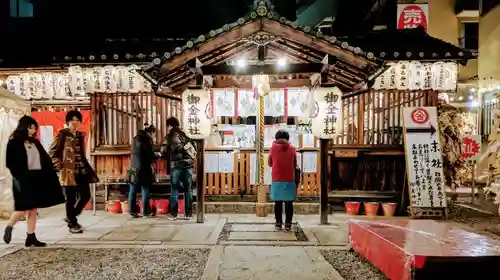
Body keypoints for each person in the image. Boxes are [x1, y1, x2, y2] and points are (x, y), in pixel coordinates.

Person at [3, 116, 65, 247]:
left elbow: (45, 159)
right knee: (24, 206)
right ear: (24, 127)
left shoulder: (35, 142)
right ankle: (9, 225)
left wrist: (52, 169)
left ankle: (31, 236)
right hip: (22, 179)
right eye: (31, 127)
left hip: (36, 178)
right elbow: (10, 162)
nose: (33, 130)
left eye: (34, 127)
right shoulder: (14, 142)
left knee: (33, 209)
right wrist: (19, 175)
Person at [49, 110, 99, 233]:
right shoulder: (61, 135)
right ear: (68, 121)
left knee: (86, 196)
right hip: (68, 172)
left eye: (78, 120)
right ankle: (72, 224)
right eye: (73, 120)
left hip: (81, 171)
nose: (75, 122)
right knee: (70, 198)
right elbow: (52, 152)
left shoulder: (80, 135)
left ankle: (71, 215)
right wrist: (59, 165)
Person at [161, 117, 194, 220]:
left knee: (174, 190)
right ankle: (188, 213)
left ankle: (174, 214)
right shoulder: (185, 135)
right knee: (188, 190)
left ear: (170, 125)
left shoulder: (169, 136)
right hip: (188, 165)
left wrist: (163, 154)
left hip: (176, 166)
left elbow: (163, 151)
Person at [268, 130, 297, 231]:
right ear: (288, 138)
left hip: (277, 178)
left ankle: (278, 223)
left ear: (276, 138)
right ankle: (288, 224)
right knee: (289, 203)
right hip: (289, 178)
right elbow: (295, 164)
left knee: (278, 202)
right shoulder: (292, 149)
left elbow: (269, 163)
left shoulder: (272, 149)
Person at [129, 124, 159, 218]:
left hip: (133, 168)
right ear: (149, 132)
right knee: (145, 189)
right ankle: (146, 212)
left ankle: (132, 211)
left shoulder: (134, 139)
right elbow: (151, 156)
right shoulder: (147, 141)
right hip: (144, 169)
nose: (154, 136)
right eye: (153, 134)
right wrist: (157, 155)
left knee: (132, 190)